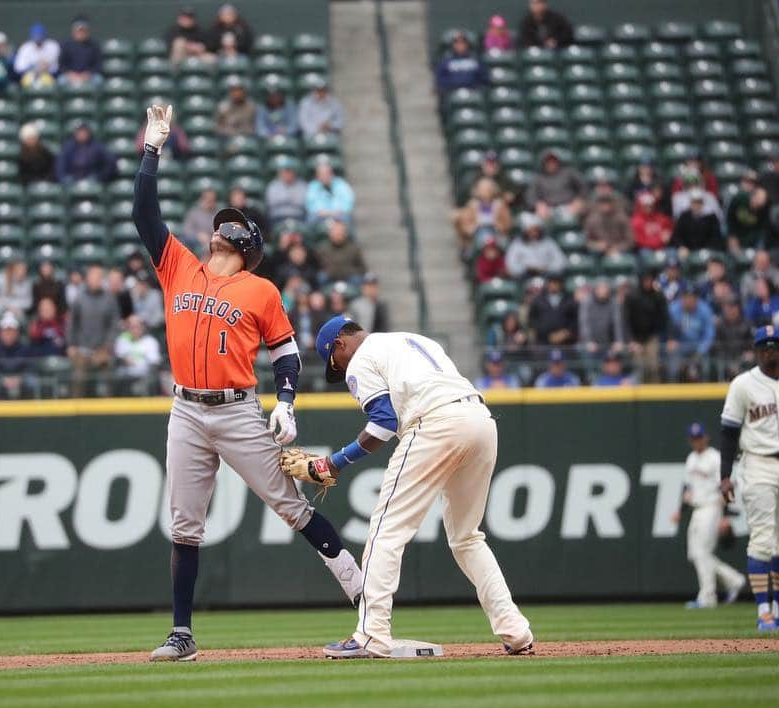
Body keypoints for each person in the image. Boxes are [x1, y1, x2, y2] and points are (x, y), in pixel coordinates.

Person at [135, 105, 363, 661]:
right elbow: (145, 217)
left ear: (247, 245)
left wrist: (286, 402)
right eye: (221, 223)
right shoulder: (180, 266)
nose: (222, 227)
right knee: (184, 523)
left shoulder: (261, 290)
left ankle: (365, 596)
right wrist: (151, 151)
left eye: (232, 226)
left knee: (292, 507)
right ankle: (182, 633)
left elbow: (286, 353)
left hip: (238, 410)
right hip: (186, 410)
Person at [285, 316, 531, 658]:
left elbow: (383, 424)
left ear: (340, 344)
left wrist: (334, 462)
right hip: (480, 420)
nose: (341, 371)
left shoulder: (360, 359)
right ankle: (517, 633)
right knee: (467, 537)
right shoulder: (413, 339)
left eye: (335, 362)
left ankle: (371, 636)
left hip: (435, 425)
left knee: (386, 531)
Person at [719, 325, 779, 631]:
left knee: (778, 543)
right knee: (762, 538)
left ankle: (777, 607)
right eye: (764, 346)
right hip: (758, 463)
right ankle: (763, 611)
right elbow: (729, 433)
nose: (770, 350)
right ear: (756, 351)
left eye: (774, 345)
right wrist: (725, 476)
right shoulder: (743, 384)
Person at [673, 423, 745, 608]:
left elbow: (725, 486)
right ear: (690, 440)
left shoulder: (714, 458)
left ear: (706, 437)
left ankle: (707, 597)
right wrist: (680, 510)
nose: (697, 441)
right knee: (695, 555)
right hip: (697, 509)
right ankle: (734, 580)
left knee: (702, 553)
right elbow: (689, 489)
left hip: (712, 507)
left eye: (700, 437)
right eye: (694, 438)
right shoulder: (691, 459)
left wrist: (725, 515)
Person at [66, 264, 120, 395]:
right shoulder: (79, 297)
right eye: (94, 276)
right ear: (88, 278)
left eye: (99, 277)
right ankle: (76, 411)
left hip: (103, 349)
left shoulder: (109, 298)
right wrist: (71, 345)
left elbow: (114, 325)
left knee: (109, 378)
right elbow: (72, 323)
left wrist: (106, 347)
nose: (97, 279)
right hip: (82, 348)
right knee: (78, 377)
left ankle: (110, 410)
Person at [624, 271, 668, 383]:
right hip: (636, 338)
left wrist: (668, 337)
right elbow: (625, 321)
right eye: (646, 280)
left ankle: (655, 396)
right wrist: (631, 340)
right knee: (639, 367)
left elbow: (664, 318)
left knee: (653, 367)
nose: (648, 283)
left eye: (650, 280)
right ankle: (638, 398)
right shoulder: (632, 296)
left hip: (651, 336)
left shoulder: (658, 296)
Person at [666, 287, 715, 381]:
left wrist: (701, 350)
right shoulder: (673, 309)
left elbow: (709, 334)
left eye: (691, 298)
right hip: (679, 348)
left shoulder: (705, 309)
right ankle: (673, 393)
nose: (688, 301)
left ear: (696, 299)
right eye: (685, 298)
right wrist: (670, 340)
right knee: (673, 368)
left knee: (705, 368)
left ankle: (706, 394)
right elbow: (666, 329)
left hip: (699, 348)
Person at [525, 149, 586, 222]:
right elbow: (530, 196)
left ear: (558, 161)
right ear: (543, 163)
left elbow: (584, 186)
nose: (551, 163)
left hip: (569, 206)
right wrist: (538, 205)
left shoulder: (569, 172)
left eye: (553, 161)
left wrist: (579, 200)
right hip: (548, 209)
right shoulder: (538, 177)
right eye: (548, 161)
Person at [453, 177, 512, 247]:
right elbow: (466, 225)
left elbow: (508, 224)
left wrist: (498, 224)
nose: (485, 191)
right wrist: (474, 226)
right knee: (482, 239)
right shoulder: (472, 204)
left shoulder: (500, 204)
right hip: (478, 232)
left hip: (497, 232)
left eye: (487, 188)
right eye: (482, 189)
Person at [504, 213, 566, 279]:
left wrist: (546, 268)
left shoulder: (548, 242)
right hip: (523, 278)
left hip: (546, 276)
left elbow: (560, 262)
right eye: (530, 230)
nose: (533, 233)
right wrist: (526, 268)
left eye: (535, 230)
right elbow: (511, 265)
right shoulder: (517, 244)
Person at [0, 313, 34, 398]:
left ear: (17, 333)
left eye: (11, 331)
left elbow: (29, 367)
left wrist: (20, 378)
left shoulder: (24, 347)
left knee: (31, 381)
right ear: (1, 333)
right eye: (6, 331)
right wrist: (3, 379)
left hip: (20, 378)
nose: (9, 334)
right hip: (1, 378)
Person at [528, 272, 577, 346]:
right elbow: (532, 320)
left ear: (560, 284)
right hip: (543, 342)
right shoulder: (538, 300)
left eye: (555, 282)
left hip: (565, 342)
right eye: (550, 282)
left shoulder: (569, 299)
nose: (552, 285)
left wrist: (566, 333)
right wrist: (547, 336)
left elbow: (574, 319)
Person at [727, 171, 772, 251]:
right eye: (757, 200)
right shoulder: (738, 199)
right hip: (736, 233)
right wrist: (732, 237)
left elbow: (762, 230)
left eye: (761, 203)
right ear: (752, 196)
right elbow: (729, 220)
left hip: (753, 238)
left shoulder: (765, 208)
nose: (758, 204)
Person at [578, 278, 624, 355]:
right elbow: (584, 323)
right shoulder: (586, 302)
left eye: (605, 288)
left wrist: (618, 341)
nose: (603, 291)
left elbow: (617, 322)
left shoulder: (613, 302)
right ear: (595, 289)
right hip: (590, 343)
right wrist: (588, 341)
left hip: (608, 342)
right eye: (600, 288)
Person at [672, 189, 723, 254]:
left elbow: (716, 237)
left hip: (707, 250)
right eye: (694, 202)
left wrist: (708, 249)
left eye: (699, 202)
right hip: (687, 250)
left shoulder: (711, 217)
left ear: (703, 203)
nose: (696, 205)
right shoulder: (684, 216)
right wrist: (681, 246)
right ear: (690, 203)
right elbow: (677, 236)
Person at [115, 315, 162, 385]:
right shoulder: (122, 339)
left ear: (142, 327)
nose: (135, 330)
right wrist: (123, 360)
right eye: (132, 327)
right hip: (125, 377)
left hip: (144, 377)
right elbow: (117, 358)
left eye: (137, 327)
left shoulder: (150, 341)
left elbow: (154, 362)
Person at [584, 189, 633, 256]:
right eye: (603, 203)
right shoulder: (592, 219)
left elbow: (630, 241)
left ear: (612, 203)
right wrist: (596, 245)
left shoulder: (622, 218)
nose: (605, 206)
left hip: (618, 249)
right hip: (599, 251)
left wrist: (616, 248)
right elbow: (586, 241)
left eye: (607, 202)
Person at [306, 160, 355, 226]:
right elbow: (310, 204)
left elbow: (348, 202)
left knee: (347, 218)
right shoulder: (313, 186)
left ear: (332, 174)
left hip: (338, 214)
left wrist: (337, 212)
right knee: (311, 219)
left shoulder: (341, 184)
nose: (324, 176)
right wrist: (322, 212)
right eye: (321, 174)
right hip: (320, 216)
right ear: (317, 176)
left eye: (327, 173)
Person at [714, 300, 753, 380]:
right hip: (726, 357)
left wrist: (750, 352)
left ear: (738, 309)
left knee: (749, 361)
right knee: (718, 363)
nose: (731, 310)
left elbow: (751, 343)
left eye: (733, 307)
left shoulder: (746, 324)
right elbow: (717, 346)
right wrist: (728, 360)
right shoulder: (720, 325)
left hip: (742, 357)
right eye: (728, 308)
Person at [297, 76, 345, 141]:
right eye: (318, 90)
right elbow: (303, 122)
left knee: (336, 139)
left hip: (330, 132)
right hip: (311, 134)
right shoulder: (306, 102)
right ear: (314, 91)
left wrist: (330, 126)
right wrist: (318, 129)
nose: (320, 93)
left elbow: (340, 120)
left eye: (323, 90)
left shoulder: (334, 102)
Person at [58, 18, 102, 87]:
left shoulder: (94, 45)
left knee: (98, 80)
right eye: (79, 31)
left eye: (84, 31)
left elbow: (98, 65)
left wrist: (89, 74)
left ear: (87, 32)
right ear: (74, 32)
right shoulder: (66, 45)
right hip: (70, 75)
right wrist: (69, 74)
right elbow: (62, 64)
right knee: (61, 81)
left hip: (89, 75)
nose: (81, 33)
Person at [265, 158, 307, 228]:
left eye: (289, 171)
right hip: (278, 217)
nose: (287, 174)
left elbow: (302, 202)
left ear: (294, 172)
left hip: (298, 217)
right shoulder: (273, 185)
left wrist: (283, 200)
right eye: (284, 171)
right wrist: (291, 199)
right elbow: (271, 203)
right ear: (280, 173)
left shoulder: (301, 185)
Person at [181, 188, 219, 252]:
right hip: (196, 242)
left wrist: (211, 236)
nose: (210, 202)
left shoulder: (218, 213)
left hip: (213, 241)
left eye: (212, 200)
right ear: (202, 200)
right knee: (184, 239)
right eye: (207, 199)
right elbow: (187, 230)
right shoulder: (194, 212)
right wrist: (198, 236)